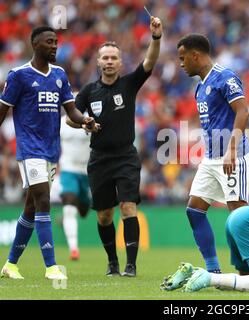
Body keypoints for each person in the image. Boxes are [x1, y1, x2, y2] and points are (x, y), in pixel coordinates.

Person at [0, 26, 99, 280]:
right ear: (35, 45)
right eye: (49, 42)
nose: (55, 46)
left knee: (32, 207)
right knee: (43, 199)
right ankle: (52, 267)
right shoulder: (19, 75)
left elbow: (71, 111)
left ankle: (10, 265)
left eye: (56, 41)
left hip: (52, 151)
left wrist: (85, 120)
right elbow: (1, 113)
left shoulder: (59, 75)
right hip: (29, 149)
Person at [68, 16, 162, 277]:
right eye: (105, 58)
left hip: (125, 157)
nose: (109, 61)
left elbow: (150, 62)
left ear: (120, 63)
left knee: (128, 206)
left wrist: (155, 37)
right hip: (99, 159)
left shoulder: (129, 84)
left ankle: (131, 265)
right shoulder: (89, 91)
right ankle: (112, 261)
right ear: (98, 62)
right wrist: (84, 123)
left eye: (113, 58)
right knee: (104, 216)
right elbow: (70, 117)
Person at [175, 33, 249, 274]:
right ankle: (212, 270)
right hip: (212, 158)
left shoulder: (225, 76)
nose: (181, 64)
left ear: (195, 55)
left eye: (183, 58)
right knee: (194, 210)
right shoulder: (200, 87)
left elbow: (243, 112)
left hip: (233, 156)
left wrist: (232, 150)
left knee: (240, 217)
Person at [59, 114, 91, 260]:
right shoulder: (62, 122)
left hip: (87, 171)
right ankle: (74, 248)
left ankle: (66, 218)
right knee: (69, 203)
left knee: (83, 211)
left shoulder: (91, 120)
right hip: (68, 168)